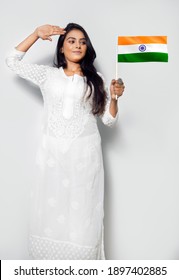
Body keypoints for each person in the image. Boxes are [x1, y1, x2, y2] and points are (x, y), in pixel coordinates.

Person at [6, 23, 125, 260]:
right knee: (50, 210)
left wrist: (114, 98)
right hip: (52, 157)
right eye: (71, 41)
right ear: (61, 48)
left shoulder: (96, 79)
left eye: (82, 41)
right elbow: (12, 62)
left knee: (83, 217)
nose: (77, 45)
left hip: (85, 157)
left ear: (87, 47)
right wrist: (36, 35)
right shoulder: (48, 75)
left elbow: (109, 121)